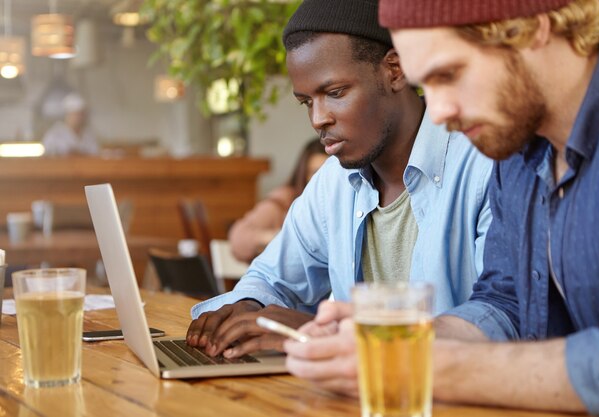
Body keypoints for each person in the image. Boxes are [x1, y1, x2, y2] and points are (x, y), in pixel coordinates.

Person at [285, 0, 599, 414]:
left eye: (450, 74)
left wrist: (436, 367)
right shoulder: (517, 152)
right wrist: (399, 338)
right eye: (428, 86)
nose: (441, 113)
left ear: (532, 27)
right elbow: (507, 303)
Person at [186, 0, 492, 362]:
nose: (318, 120)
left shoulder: (483, 162)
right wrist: (247, 308)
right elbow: (272, 278)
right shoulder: (334, 181)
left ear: (394, 70)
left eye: (335, 93)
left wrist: (325, 333)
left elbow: (501, 317)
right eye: (306, 102)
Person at [228, 138, 327, 263]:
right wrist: (279, 237)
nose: (323, 179)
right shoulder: (283, 201)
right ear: (303, 173)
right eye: (315, 172)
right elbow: (238, 237)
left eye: (330, 172)